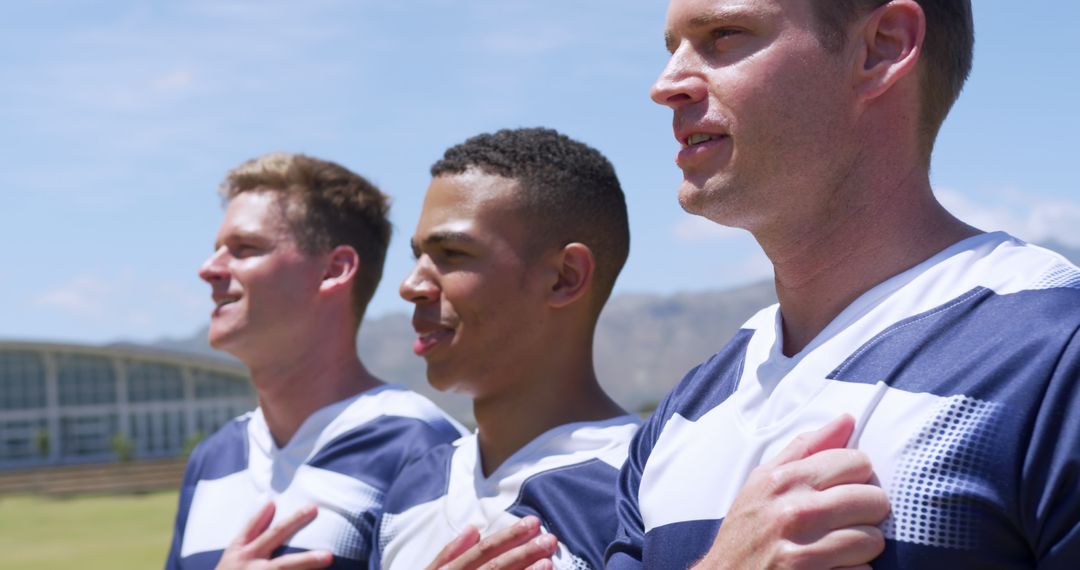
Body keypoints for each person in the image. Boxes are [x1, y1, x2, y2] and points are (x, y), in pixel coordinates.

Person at [607, 0, 1080, 568]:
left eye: (724, 34)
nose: (666, 85)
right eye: (672, 48)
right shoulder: (683, 412)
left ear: (882, 47)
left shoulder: (1054, 357)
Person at [164, 152, 466, 569]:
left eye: (245, 248)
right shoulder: (212, 458)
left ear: (334, 270)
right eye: (217, 250)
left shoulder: (425, 448)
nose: (209, 269)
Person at [373, 128, 641, 569]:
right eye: (417, 255)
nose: (411, 286)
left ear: (565, 277)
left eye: (453, 253)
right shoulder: (413, 486)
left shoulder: (647, 485)